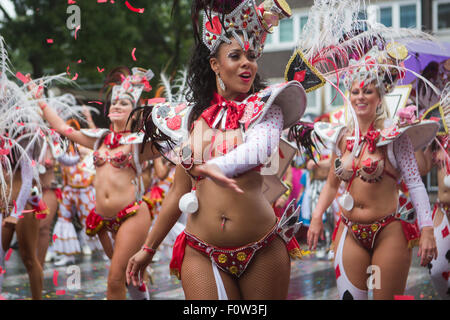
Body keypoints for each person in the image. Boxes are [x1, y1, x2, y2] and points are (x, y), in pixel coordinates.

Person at [126, 0, 313, 300]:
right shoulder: (190, 120)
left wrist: (217, 166)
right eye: (235, 56)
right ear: (215, 64)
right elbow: (177, 193)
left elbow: (257, 150)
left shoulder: (267, 108)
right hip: (202, 251)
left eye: (251, 56)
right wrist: (148, 249)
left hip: (261, 249)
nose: (246, 63)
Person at [28, 66, 161, 300]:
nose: (118, 105)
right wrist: (40, 101)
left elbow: (174, 146)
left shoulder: (139, 143)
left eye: (125, 103)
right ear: (109, 110)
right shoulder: (99, 139)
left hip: (132, 216)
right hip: (103, 222)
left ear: (134, 111)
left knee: (115, 280)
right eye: (115, 102)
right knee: (129, 276)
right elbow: (62, 128)